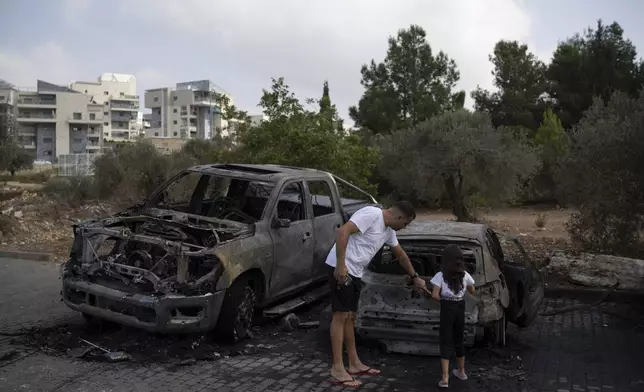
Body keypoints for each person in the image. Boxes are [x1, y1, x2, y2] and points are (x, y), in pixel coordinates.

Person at [325, 201, 427, 388]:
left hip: (355, 272)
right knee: (340, 316)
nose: (404, 228)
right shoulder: (371, 214)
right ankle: (337, 368)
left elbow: (401, 255)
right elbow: (342, 232)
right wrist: (340, 265)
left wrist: (415, 276)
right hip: (340, 268)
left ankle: (354, 363)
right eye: (405, 224)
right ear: (399, 217)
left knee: (350, 317)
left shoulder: (389, 232)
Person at [430, 244, 477, 388]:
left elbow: (434, 295)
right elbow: (472, 291)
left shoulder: (440, 276)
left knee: (446, 341)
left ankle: (445, 378)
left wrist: (441, 297)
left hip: (447, 309)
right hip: (460, 309)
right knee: (458, 340)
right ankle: (462, 372)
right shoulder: (465, 275)